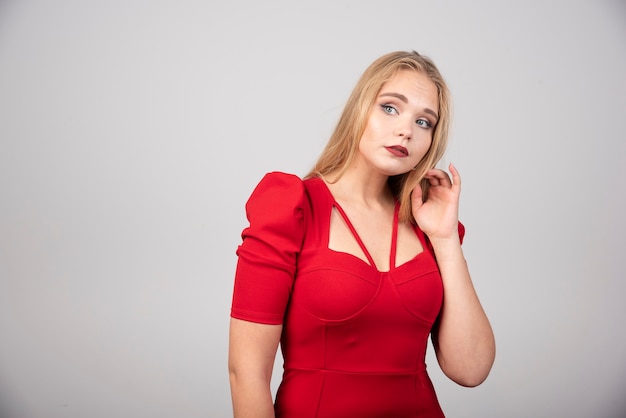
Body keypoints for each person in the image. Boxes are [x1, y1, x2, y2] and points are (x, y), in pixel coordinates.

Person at [228, 50, 495, 418]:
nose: (406, 129)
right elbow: (247, 375)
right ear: (360, 109)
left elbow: (471, 369)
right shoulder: (292, 208)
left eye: (424, 122)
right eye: (390, 108)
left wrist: (446, 238)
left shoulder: (428, 225)